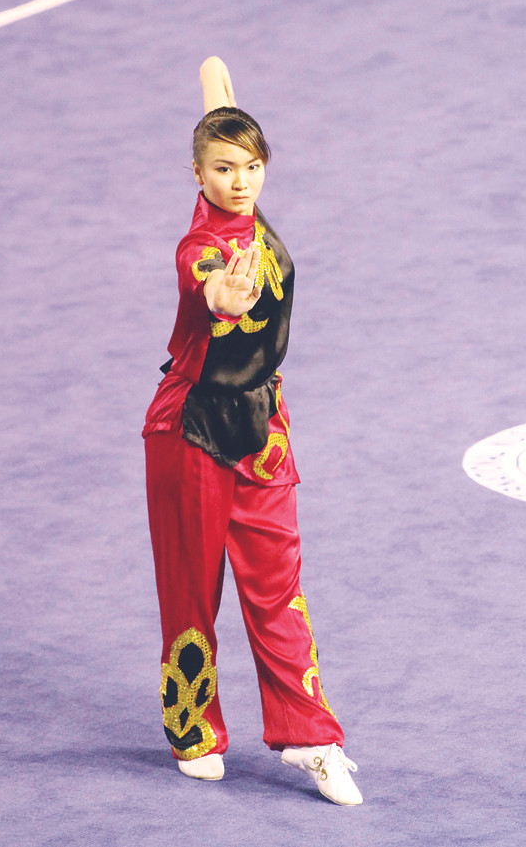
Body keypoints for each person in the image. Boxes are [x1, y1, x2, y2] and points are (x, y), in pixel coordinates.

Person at [142, 57, 362, 806]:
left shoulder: (245, 193)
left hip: (262, 430)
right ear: (196, 174)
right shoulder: (200, 246)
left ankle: (314, 738)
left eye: (253, 166)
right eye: (224, 168)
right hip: (191, 430)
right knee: (190, 589)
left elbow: (220, 104)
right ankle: (193, 730)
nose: (241, 182)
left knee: (279, 587)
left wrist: (213, 82)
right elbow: (202, 275)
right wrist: (221, 296)